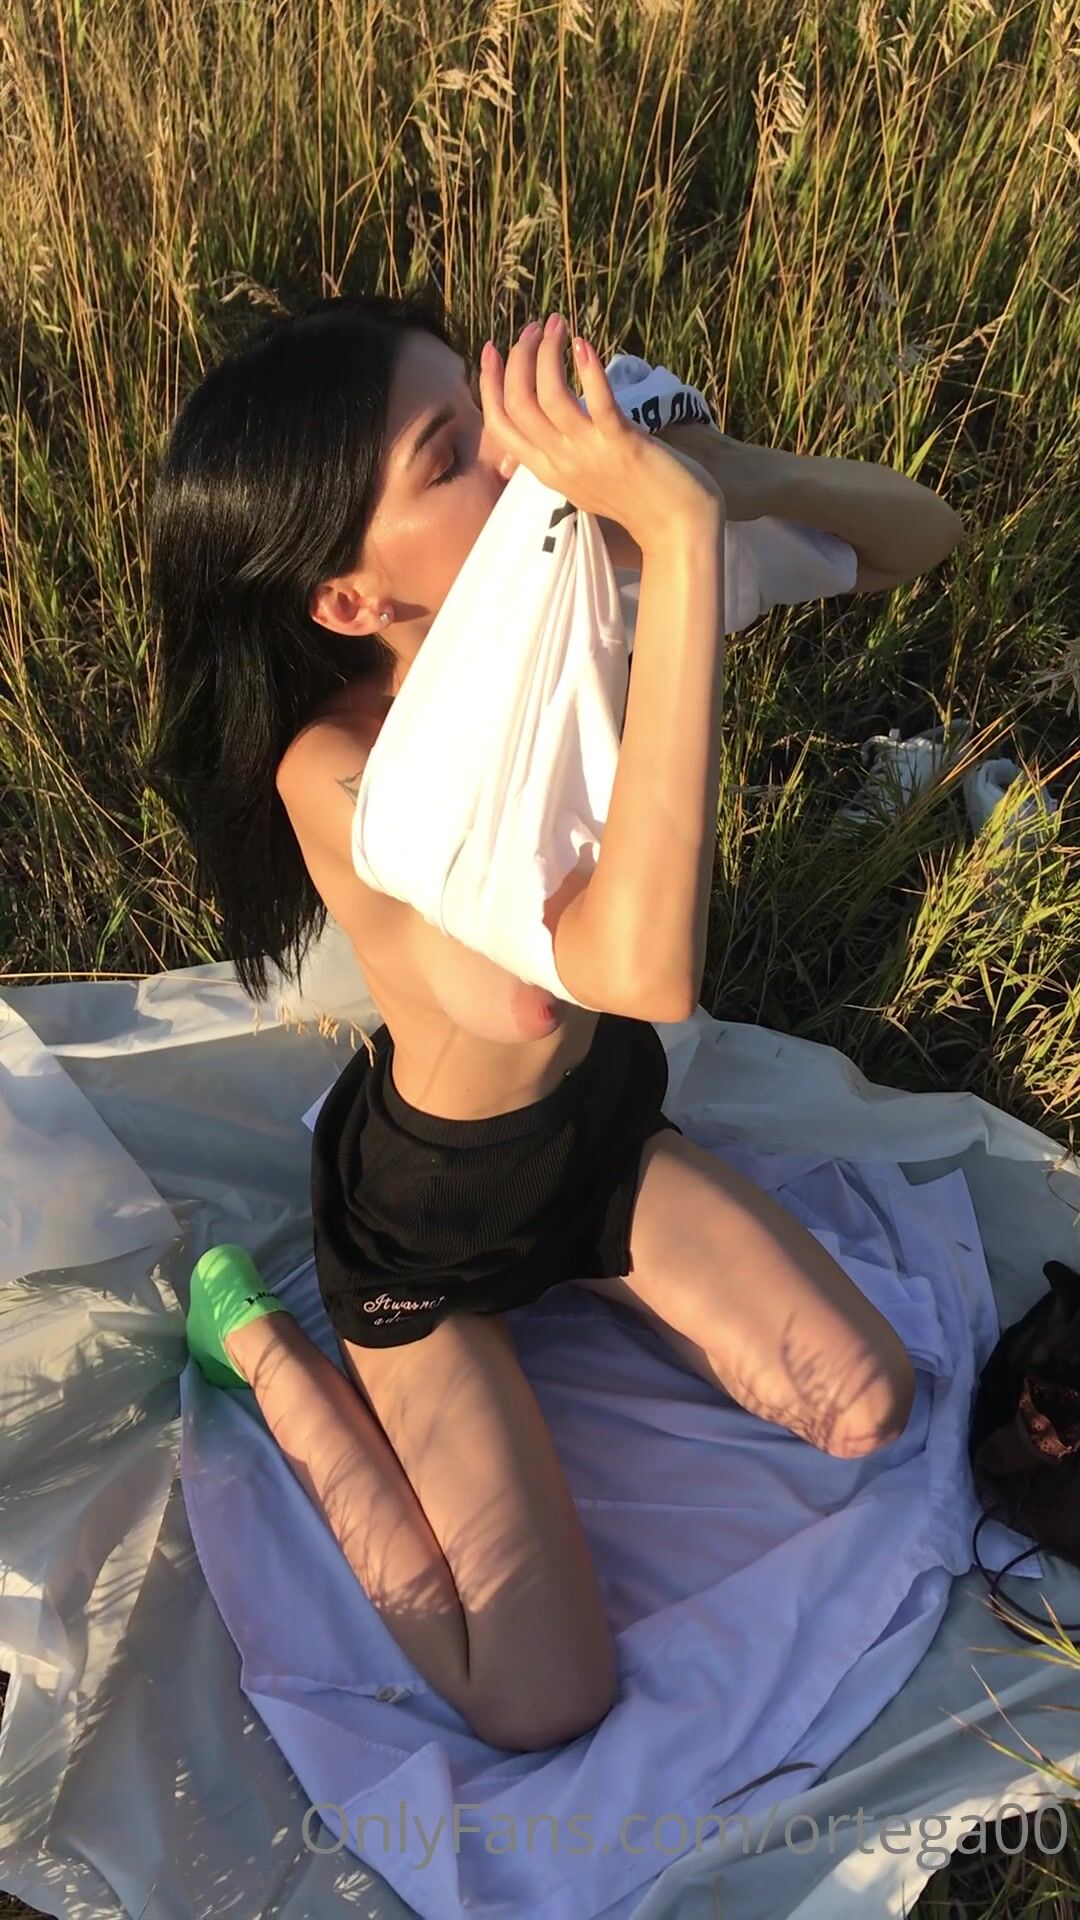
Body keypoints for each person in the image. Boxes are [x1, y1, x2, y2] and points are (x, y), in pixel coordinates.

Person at [145, 292, 916, 1753]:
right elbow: (606, 976)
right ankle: (265, 1354)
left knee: (868, 1405)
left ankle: (605, 1273)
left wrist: (721, 479)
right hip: (428, 1226)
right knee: (540, 1700)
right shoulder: (342, 772)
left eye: (489, 408)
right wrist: (677, 541)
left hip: (598, 1129)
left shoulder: (571, 595)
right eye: (452, 456)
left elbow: (915, 539)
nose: (517, 458)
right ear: (346, 600)